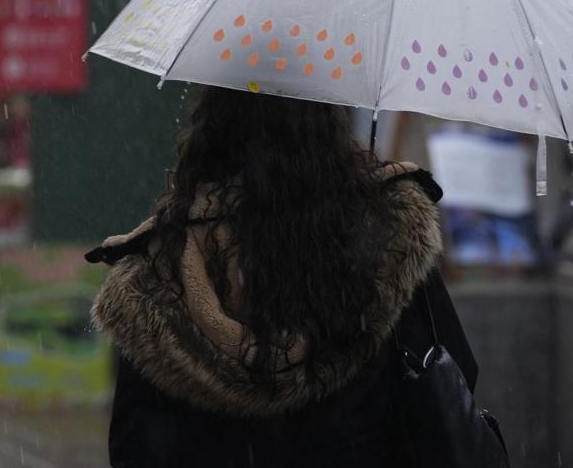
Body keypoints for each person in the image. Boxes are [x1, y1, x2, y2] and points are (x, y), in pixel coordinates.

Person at [86, 86, 484, 467]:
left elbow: (134, 447)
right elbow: (453, 383)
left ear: (211, 132)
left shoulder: (161, 270)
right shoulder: (388, 238)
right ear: (331, 126)